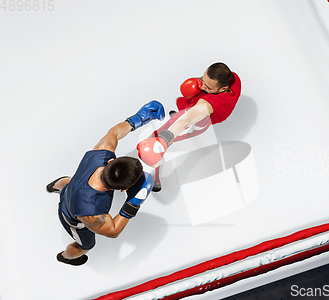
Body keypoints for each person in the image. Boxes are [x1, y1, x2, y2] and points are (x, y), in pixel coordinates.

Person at [46, 100, 165, 265]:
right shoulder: (91, 211)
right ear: (124, 189)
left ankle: (53, 186)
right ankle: (66, 256)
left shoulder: (101, 154)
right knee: (86, 245)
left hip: (72, 187)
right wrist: (134, 203)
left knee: (69, 183)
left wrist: (139, 118)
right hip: (70, 216)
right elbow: (113, 231)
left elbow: (115, 132)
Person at [137, 62, 242, 191]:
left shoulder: (212, 105)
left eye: (208, 87)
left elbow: (187, 119)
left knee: (154, 140)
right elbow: (205, 85)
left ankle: (156, 180)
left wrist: (164, 139)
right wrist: (200, 81)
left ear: (223, 89)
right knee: (181, 100)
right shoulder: (233, 78)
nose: (202, 86)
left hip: (193, 124)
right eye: (203, 80)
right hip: (191, 107)